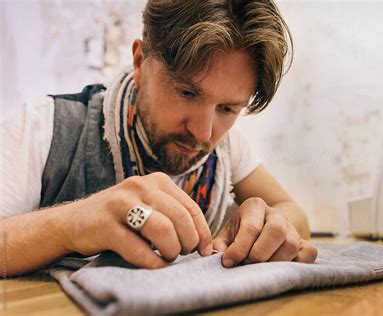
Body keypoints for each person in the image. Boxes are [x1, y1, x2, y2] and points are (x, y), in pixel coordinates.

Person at [0, 0, 317, 276]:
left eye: (228, 108)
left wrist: (270, 222)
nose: (204, 133)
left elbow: (292, 210)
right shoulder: (43, 126)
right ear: (139, 62)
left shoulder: (228, 149)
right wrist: (69, 224)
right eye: (187, 92)